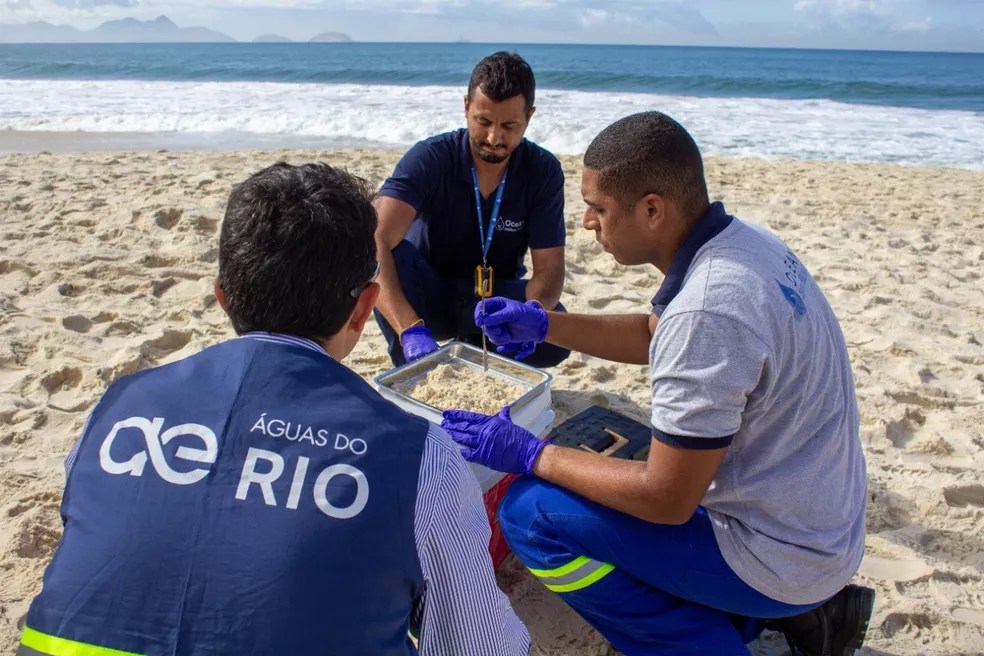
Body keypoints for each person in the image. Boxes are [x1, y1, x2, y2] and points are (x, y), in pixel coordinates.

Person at [17, 162, 529, 656]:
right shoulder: (417, 457)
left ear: (222, 296)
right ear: (363, 307)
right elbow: (479, 645)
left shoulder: (115, 410)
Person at [440, 112, 875, 656]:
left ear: (651, 209)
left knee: (529, 513)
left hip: (780, 555)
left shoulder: (710, 310)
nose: (588, 223)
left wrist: (530, 452)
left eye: (598, 208)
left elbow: (666, 499)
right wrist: (547, 323)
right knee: (622, 455)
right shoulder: (742, 244)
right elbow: (656, 333)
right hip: (819, 526)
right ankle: (786, 617)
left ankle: (706, 642)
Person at [373, 50, 571, 368]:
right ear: (466, 107)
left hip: (494, 302)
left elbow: (550, 269)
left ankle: (474, 349)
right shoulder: (430, 158)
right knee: (389, 254)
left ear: (529, 117)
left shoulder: (542, 170)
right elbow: (375, 238)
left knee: (555, 333)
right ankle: (409, 361)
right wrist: (409, 329)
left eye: (509, 125)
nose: (494, 137)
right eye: (483, 121)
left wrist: (531, 313)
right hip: (430, 295)